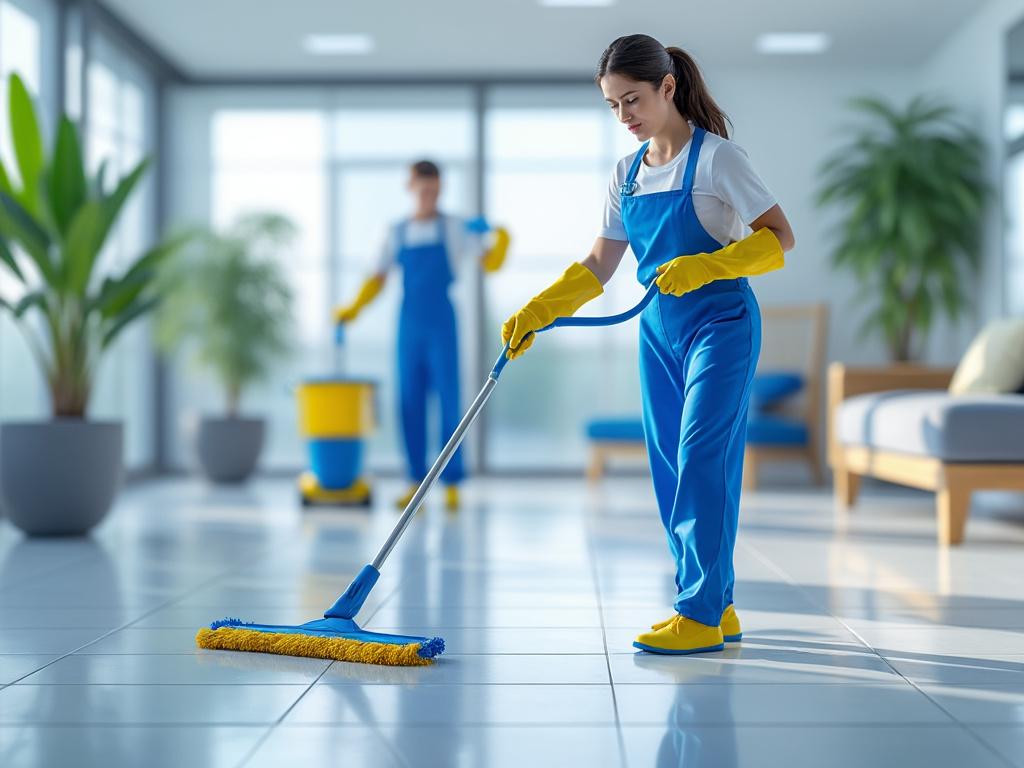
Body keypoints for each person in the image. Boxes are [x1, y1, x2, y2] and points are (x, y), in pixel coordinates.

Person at [502, 34, 795, 654]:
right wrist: (541, 309)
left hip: (721, 324)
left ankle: (696, 612)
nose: (624, 117)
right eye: (612, 106)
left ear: (667, 87)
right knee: (668, 468)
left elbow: (778, 239)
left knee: (700, 459)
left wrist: (708, 266)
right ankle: (719, 603)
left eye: (632, 100)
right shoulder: (626, 175)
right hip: (658, 331)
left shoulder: (718, 159)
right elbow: (599, 265)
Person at [336, 160, 507, 512]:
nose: (428, 195)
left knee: (449, 400)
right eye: (422, 189)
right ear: (410, 187)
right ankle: (415, 482)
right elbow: (378, 276)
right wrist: (354, 306)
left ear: (440, 188)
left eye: (434, 189)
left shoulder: (455, 228)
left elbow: (489, 263)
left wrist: (501, 238)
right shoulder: (394, 231)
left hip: (443, 321)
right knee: (409, 401)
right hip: (409, 322)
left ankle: (452, 483)